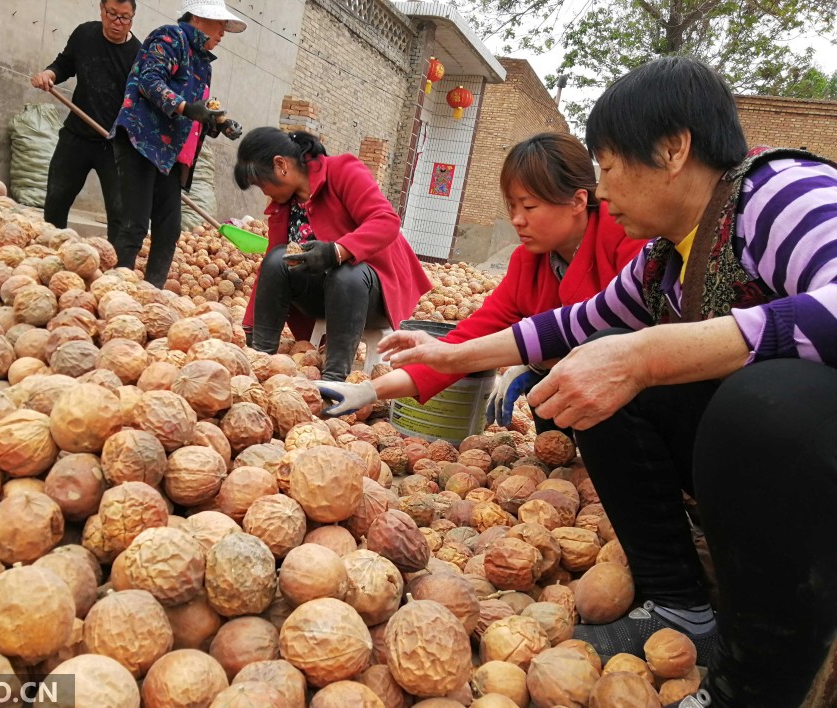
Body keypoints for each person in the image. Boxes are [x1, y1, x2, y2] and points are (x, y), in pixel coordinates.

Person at [365, 56, 837, 708]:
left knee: (760, 399)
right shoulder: (662, 260)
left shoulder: (784, 196)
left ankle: (756, 684)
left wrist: (650, 354)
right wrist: (442, 355)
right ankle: (680, 607)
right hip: (766, 469)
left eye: (608, 166)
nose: (602, 190)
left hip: (808, 455)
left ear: (673, 150)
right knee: (600, 358)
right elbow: (564, 327)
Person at [314, 132, 645, 421]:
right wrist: (369, 391)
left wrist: (536, 361)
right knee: (547, 400)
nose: (517, 220)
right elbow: (465, 340)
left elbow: (634, 329)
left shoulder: (626, 235)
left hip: (643, 388)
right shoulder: (527, 263)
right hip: (572, 388)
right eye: (512, 207)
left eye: (528, 207)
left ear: (577, 201)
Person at [234, 127, 432, 382]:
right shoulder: (284, 206)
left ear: (281, 165)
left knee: (345, 273)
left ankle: (335, 380)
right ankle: (262, 363)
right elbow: (269, 270)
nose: (265, 193)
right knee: (277, 260)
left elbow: (386, 221)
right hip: (325, 296)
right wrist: (250, 327)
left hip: (373, 293)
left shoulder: (342, 171)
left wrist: (337, 251)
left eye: (262, 184)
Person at [109, 0, 244, 288]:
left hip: (170, 156)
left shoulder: (203, 62)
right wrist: (185, 107)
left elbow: (199, 109)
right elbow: (150, 81)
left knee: (169, 229)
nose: (222, 33)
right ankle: (114, 290)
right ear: (197, 18)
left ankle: (151, 291)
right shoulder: (170, 38)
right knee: (134, 224)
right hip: (142, 142)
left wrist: (218, 122)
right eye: (219, 24)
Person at [30, 0, 141, 240]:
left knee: (120, 212)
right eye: (112, 14)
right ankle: (51, 250)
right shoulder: (85, 34)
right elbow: (64, 64)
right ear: (102, 9)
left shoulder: (138, 56)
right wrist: (48, 74)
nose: (117, 22)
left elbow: (140, 106)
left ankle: (117, 268)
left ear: (132, 19)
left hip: (115, 145)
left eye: (124, 17)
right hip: (76, 136)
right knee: (56, 199)